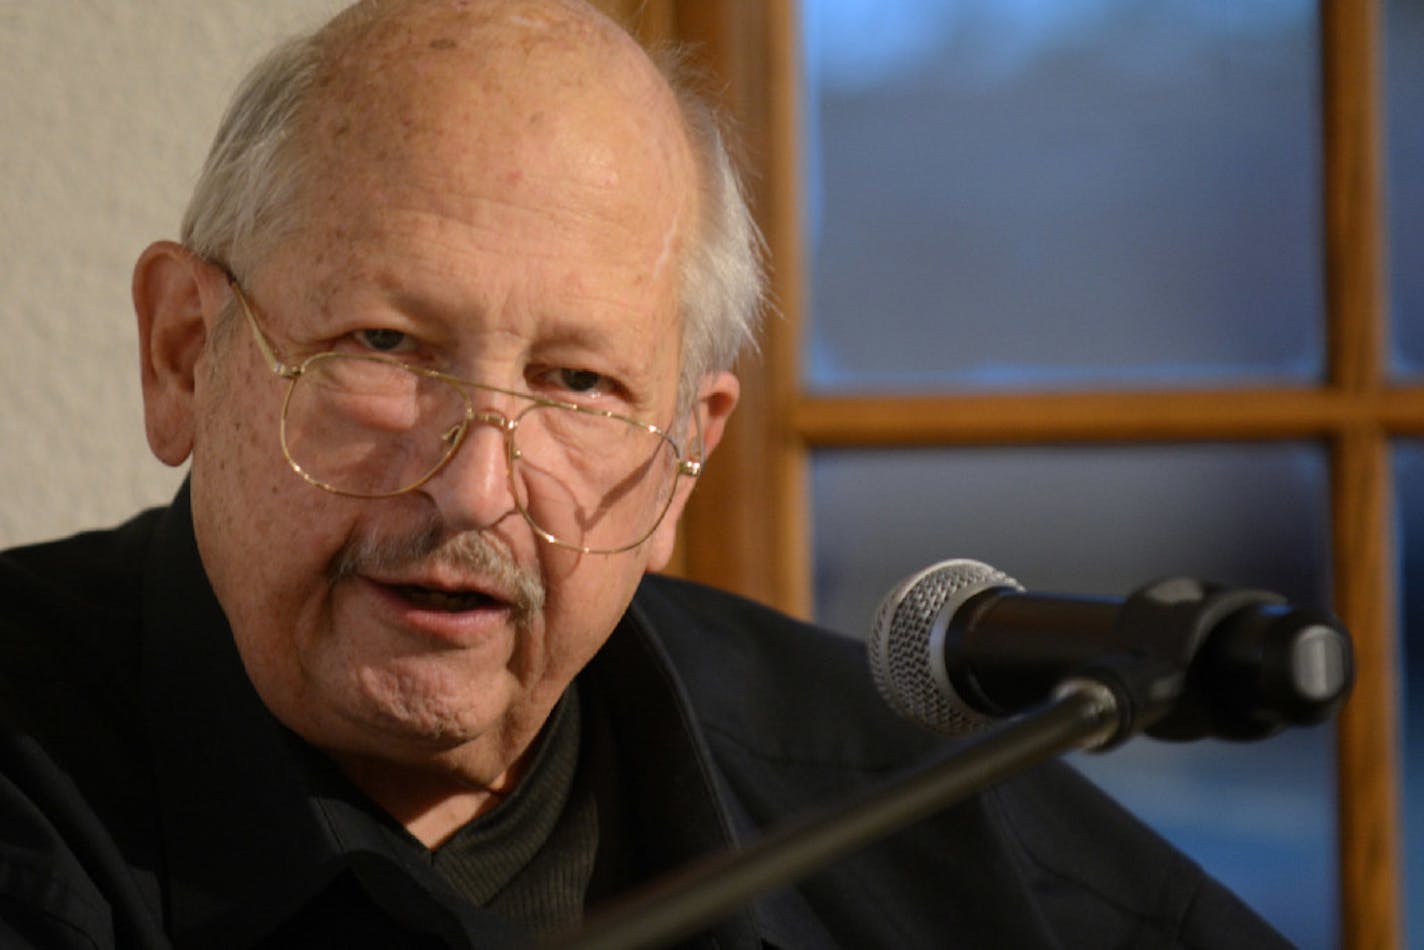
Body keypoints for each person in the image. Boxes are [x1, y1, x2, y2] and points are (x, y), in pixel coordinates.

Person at [0, 1, 1291, 946]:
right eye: (385, 346)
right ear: (184, 353)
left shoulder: (881, 806)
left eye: (579, 384)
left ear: (683, 461)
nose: (475, 491)